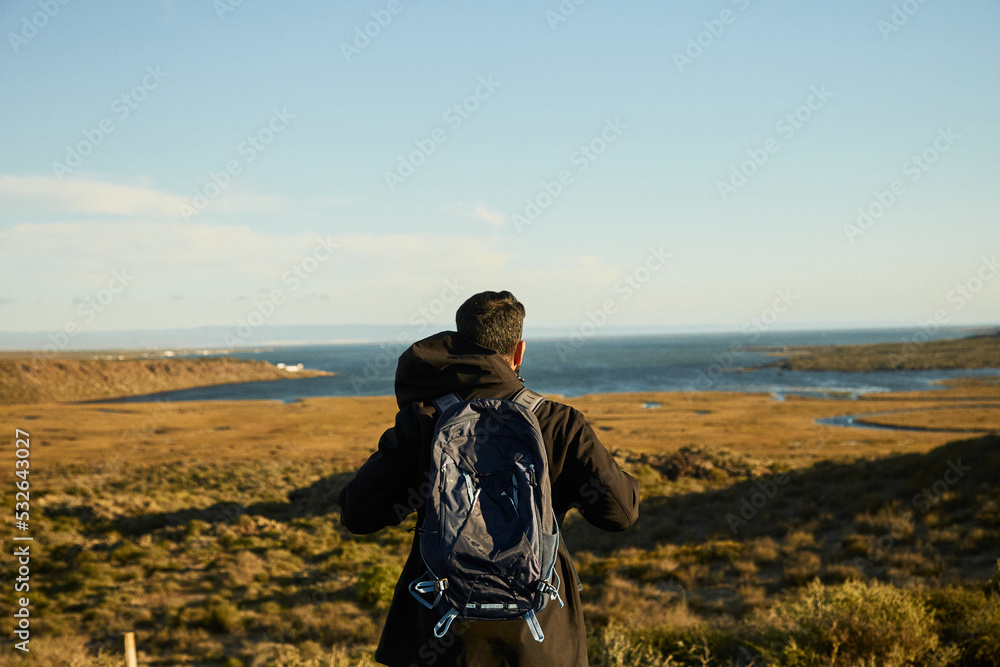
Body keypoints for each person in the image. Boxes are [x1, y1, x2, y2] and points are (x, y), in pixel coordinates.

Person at [339, 290, 640, 666]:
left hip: (440, 636)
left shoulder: (424, 420)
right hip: (540, 640)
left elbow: (359, 515)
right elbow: (620, 514)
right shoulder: (558, 423)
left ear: (459, 345)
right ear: (519, 351)